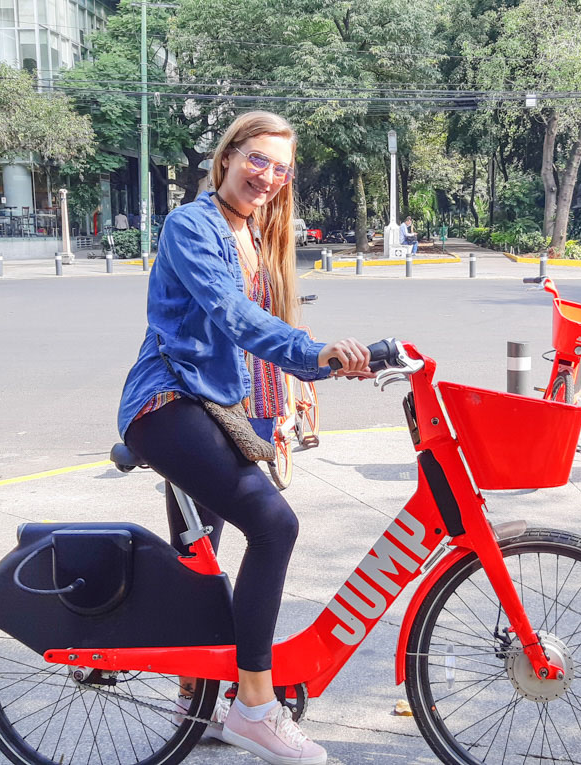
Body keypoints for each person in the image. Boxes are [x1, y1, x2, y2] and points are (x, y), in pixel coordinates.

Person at [117, 111, 369, 765]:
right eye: (257, 159)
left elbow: (253, 340)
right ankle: (255, 709)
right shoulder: (192, 225)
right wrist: (315, 355)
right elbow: (233, 315)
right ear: (227, 156)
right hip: (167, 402)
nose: (268, 176)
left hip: (212, 406)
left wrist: (287, 400)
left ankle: (193, 703)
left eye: (281, 169)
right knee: (274, 525)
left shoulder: (254, 232)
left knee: (197, 562)